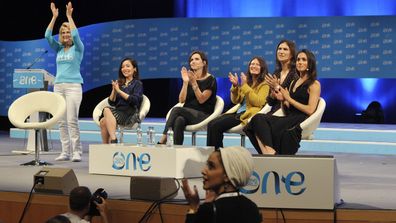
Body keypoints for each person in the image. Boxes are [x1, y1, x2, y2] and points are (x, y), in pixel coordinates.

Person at [244, 49, 321, 155]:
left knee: (258, 120)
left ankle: (269, 153)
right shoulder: (295, 81)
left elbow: (310, 110)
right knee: (255, 120)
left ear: (310, 64)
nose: (299, 62)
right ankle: (269, 152)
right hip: (289, 117)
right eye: (298, 59)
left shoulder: (314, 84)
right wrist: (282, 100)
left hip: (300, 120)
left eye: (304, 60)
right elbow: (287, 108)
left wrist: (289, 99)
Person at [45, 2, 84, 162]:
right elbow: (47, 36)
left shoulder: (78, 48)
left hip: (73, 87)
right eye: (63, 32)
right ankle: (65, 151)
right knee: (61, 121)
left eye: (67, 32)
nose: (66, 35)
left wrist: (69, 16)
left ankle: (77, 151)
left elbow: (76, 35)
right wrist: (54, 17)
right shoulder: (59, 49)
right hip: (58, 87)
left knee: (71, 120)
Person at [181, 146, 262, 223]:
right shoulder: (252, 208)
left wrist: (193, 207)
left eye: (211, 166)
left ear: (227, 175)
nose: (203, 171)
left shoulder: (209, 210)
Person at [206, 56, 270, 149]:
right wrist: (235, 86)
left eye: (257, 64)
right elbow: (236, 100)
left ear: (262, 68)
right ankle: (213, 154)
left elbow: (259, 102)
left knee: (216, 126)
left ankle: (218, 156)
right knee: (211, 124)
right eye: (252, 64)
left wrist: (244, 86)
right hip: (238, 112)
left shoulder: (265, 84)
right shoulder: (248, 82)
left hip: (247, 115)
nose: (254, 66)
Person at [158, 50, 217, 145]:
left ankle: (162, 141)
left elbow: (201, 100)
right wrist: (185, 82)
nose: (192, 61)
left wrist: (194, 83)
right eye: (191, 60)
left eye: (196, 59)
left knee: (176, 110)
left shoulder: (211, 79)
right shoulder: (190, 78)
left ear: (204, 63)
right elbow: (181, 100)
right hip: (187, 113)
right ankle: (177, 150)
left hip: (203, 115)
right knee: (179, 120)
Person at [99, 58, 143, 143]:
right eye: (122, 67)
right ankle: (106, 147)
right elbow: (111, 102)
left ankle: (113, 139)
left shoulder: (137, 84)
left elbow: (134, 100)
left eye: (127, 66)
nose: (124, 68)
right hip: (118, 112)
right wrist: (114, 90)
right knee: (103, 121)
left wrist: (119, 91)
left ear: (134, 69)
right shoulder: (120, 83)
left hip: (130, 114)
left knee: (106, 110)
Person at [265, 39, 299, 114]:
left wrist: (277, 86)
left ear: (292, 54)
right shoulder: (276, 73)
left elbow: (294, 99)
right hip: (274, 112)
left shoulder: (296, 73)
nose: (281, 52)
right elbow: (270, 102)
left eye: (285, 49)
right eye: (279, 49)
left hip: (287, 113)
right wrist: (272, 94)